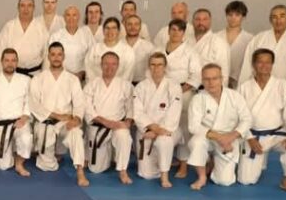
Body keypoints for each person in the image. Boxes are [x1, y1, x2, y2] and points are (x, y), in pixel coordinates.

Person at [237, 48, 286, 194]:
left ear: (272, 64)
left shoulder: (283, 86)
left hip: (276, 135)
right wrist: (249, 138)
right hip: (253, 137)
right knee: (245, 180)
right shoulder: (244, 88)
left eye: (268, 62)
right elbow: (239, 117)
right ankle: (259, 161)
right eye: (260, 62)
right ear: (253, 64)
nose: (264, 66)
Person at [29, 42, 90, 187]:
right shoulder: (38, 78)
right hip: (46, 121)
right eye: (53, 54)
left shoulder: (72, 79)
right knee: (48, 166)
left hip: (65, 122)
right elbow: (34, 104)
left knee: (76, 133)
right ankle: (51, 154)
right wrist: (57, 116)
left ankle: (80, 171)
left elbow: (79, 103)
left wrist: (76, 118)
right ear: (48, 57)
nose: (56, 58)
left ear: (64, 56)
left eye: (59, 54)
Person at [186, 64, 252, 190]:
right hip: (208, 136)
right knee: (196, 142)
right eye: (207, 79)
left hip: (230, 138)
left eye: (214, 78)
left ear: (222, 78)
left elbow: (247, 119)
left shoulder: (235, 96)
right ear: (202, 80)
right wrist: (220, 138)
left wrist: (230, 137)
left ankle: (213, 163)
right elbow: (193, 127)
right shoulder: (198, 99)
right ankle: (202, 177)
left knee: (224, 181)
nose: (211, 83)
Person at [131, 52, 183, 188]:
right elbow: (137, 112)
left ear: (165, 67)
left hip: (168, 130)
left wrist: (158, 131)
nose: (156, 68)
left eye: (160, 65)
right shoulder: (141, 87)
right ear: (149, 66)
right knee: (147, 174)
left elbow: (174, 112)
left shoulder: (174, 86)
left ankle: (165, 176)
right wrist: (152, 128)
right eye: (153, 65)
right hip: (146, 131)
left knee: (164, 141)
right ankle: (162, 160)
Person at [160, 19, 203, 178]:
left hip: (184, 93)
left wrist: (179, 90)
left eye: (179, 30)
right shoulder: (159, 49)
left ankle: (183, 164)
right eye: (173, 29)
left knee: (184, 128)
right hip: (162, 93)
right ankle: (167, 159)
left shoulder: (190, 52)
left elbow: (196, 75)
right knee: (165, 125)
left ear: (184, 33)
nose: (176, 33)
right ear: (168, 31)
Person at [84, 52, 135, 184]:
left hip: (118, 125)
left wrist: (128, 122)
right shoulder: (91, 85)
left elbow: (131, 107)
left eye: (113, 64)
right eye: (106, 64)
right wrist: (106, 122)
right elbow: (88, 110)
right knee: (96, 169)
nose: (109, 67)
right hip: (99, 126)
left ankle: (122, 170)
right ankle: (108, 155)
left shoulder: (126, 85)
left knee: (124, 137)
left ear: (118, 66)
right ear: (101, 65)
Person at [0, 48, 33, 175]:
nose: (10, 63)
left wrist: (24, 118)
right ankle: (10, 152)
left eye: (13, 60)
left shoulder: (26, 80)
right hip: (0, 125)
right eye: (7, 60)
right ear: (1, 62)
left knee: (26, 139)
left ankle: (19, 163)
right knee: (3, 166)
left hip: (19, 122)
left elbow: (29, 102)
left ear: (17, 62)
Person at [240, 4, 286, 82]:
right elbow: (247, 65)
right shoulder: (259, 38)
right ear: (270, 20)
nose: (278, 20)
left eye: (282, 16)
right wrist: (244, 85)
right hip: (262, 84)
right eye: (274, 17)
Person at [0, 0, 51, 76]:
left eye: (29, 6)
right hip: (13, 74)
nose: (26, 9)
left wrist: (45, 76)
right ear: (18, 8)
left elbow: (47, 55)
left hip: (35, 74)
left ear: (34, 8)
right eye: (22, 6)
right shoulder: (9, 27)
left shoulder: (41, 28)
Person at [48, 5, 95, 81]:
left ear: (79, 17)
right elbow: (51, 58)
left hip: (82, 77)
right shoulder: (56, 36)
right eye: (68, 15)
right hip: (61, 77)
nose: (71, 18)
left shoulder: (87, 34)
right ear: (64, 17)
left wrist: (83, 73)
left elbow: (92, 57)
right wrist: (66, 74)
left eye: (74, 15)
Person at [86, 17, 135, 83]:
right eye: (107, 28)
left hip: (120, 87)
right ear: (103, 31)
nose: (110, 31)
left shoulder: (128, 51)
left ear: (118, 31)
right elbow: (89, 71)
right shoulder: (94, 49)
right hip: (96, 87)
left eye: (114, 28)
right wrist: (98, 86)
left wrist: (114, 87)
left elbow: (128, 75)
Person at [218, 0, 254, 88]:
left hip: (241, 82)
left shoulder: (250, 39)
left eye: (237, 15)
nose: (233, 18)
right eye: (230, 15)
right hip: (218, 81)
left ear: (243, 17)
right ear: (226, 16)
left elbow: (251, 64)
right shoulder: (216, 37)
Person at [192, 9, 231, 86]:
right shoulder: (186, 41)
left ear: (210, 21)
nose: (201, 22)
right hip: (187, 87)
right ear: (192, 22)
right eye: (198, 19)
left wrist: (221, 90)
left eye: (205, 19)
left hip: (208, 87)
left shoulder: (219, 42)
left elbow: (224, 72)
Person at [124, 14, 156, 85]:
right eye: (129, 24)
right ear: (125, 26)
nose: (133, 27)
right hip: (122, 83)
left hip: (142, 84)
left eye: (136, 24)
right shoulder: (119, 45)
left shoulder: (149, 46)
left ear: (140, 27)